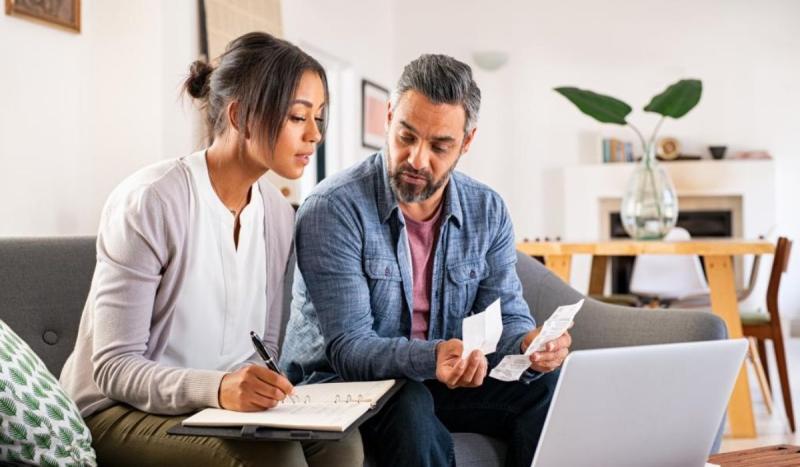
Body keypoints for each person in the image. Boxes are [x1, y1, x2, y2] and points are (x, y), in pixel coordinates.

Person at [59, 32, 363, 467]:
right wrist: (218, 388)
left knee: (343, 445)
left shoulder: (279, 216)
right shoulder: (152, 201)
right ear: (240, 115)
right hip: (116, 412)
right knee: (275, 459)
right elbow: (114, 367)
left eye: (319, 117)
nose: (314, 134)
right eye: (298, 117)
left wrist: (267, 389)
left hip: (215, 410)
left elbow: (266, 347)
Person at [280, 54, 572, 467]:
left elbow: (506, 314)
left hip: (438, 376)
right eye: (407, 136)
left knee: (548, 385)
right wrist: (433, 358)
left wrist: (528, 346)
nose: (418, 159)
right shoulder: (333, 208)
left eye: (439, 146)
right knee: (411, 400)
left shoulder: (487, 210)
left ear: (466, 142)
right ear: (389, 117)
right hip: (339, 384)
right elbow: (348, 349)